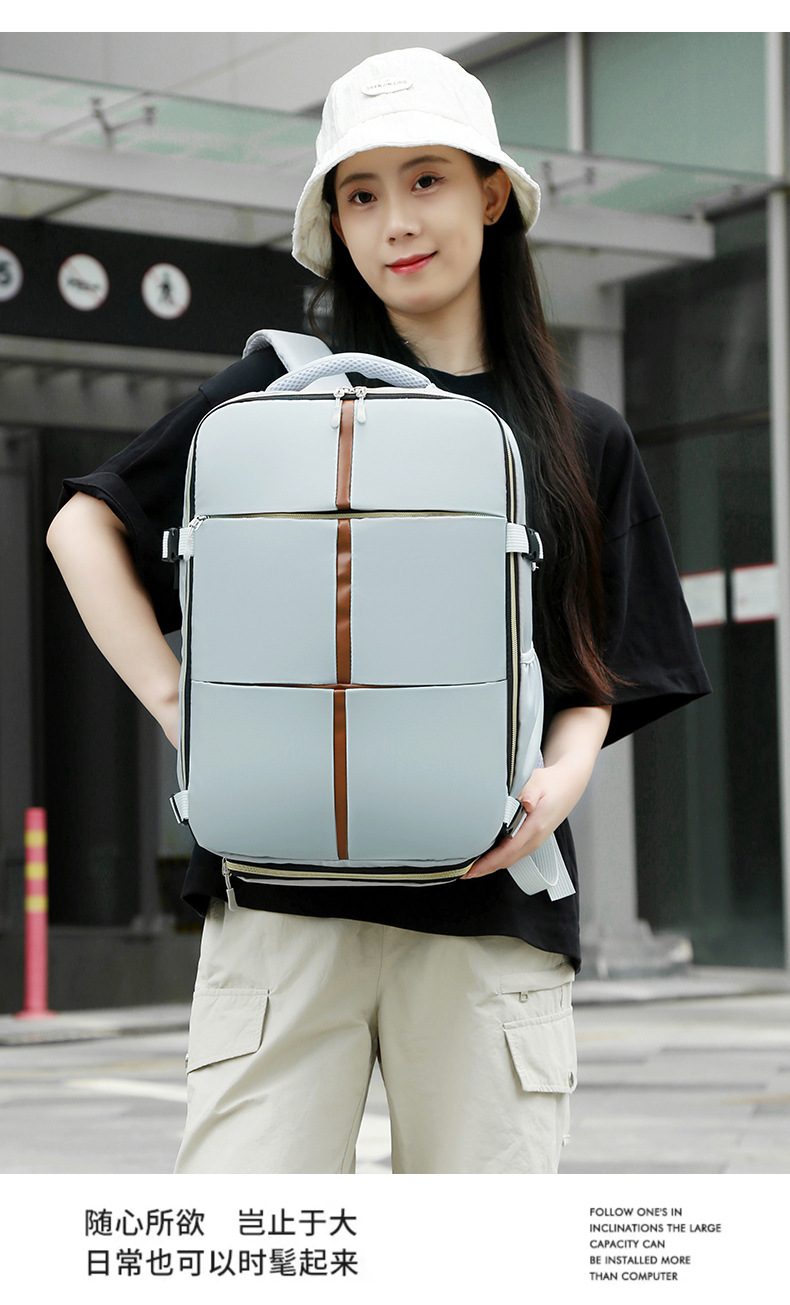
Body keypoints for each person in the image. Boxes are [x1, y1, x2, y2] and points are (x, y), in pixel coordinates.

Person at [46, 47, 710, 1175]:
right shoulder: (278, 392)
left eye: (426, 180)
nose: (394, 220)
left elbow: (599, 665)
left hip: (489, 907)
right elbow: (83, 528)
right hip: (279, 908)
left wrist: (560, 781)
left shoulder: (580, 434)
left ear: (489, 196)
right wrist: (178, 706)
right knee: (253, 1247)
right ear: (337, 224)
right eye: (359, 194)